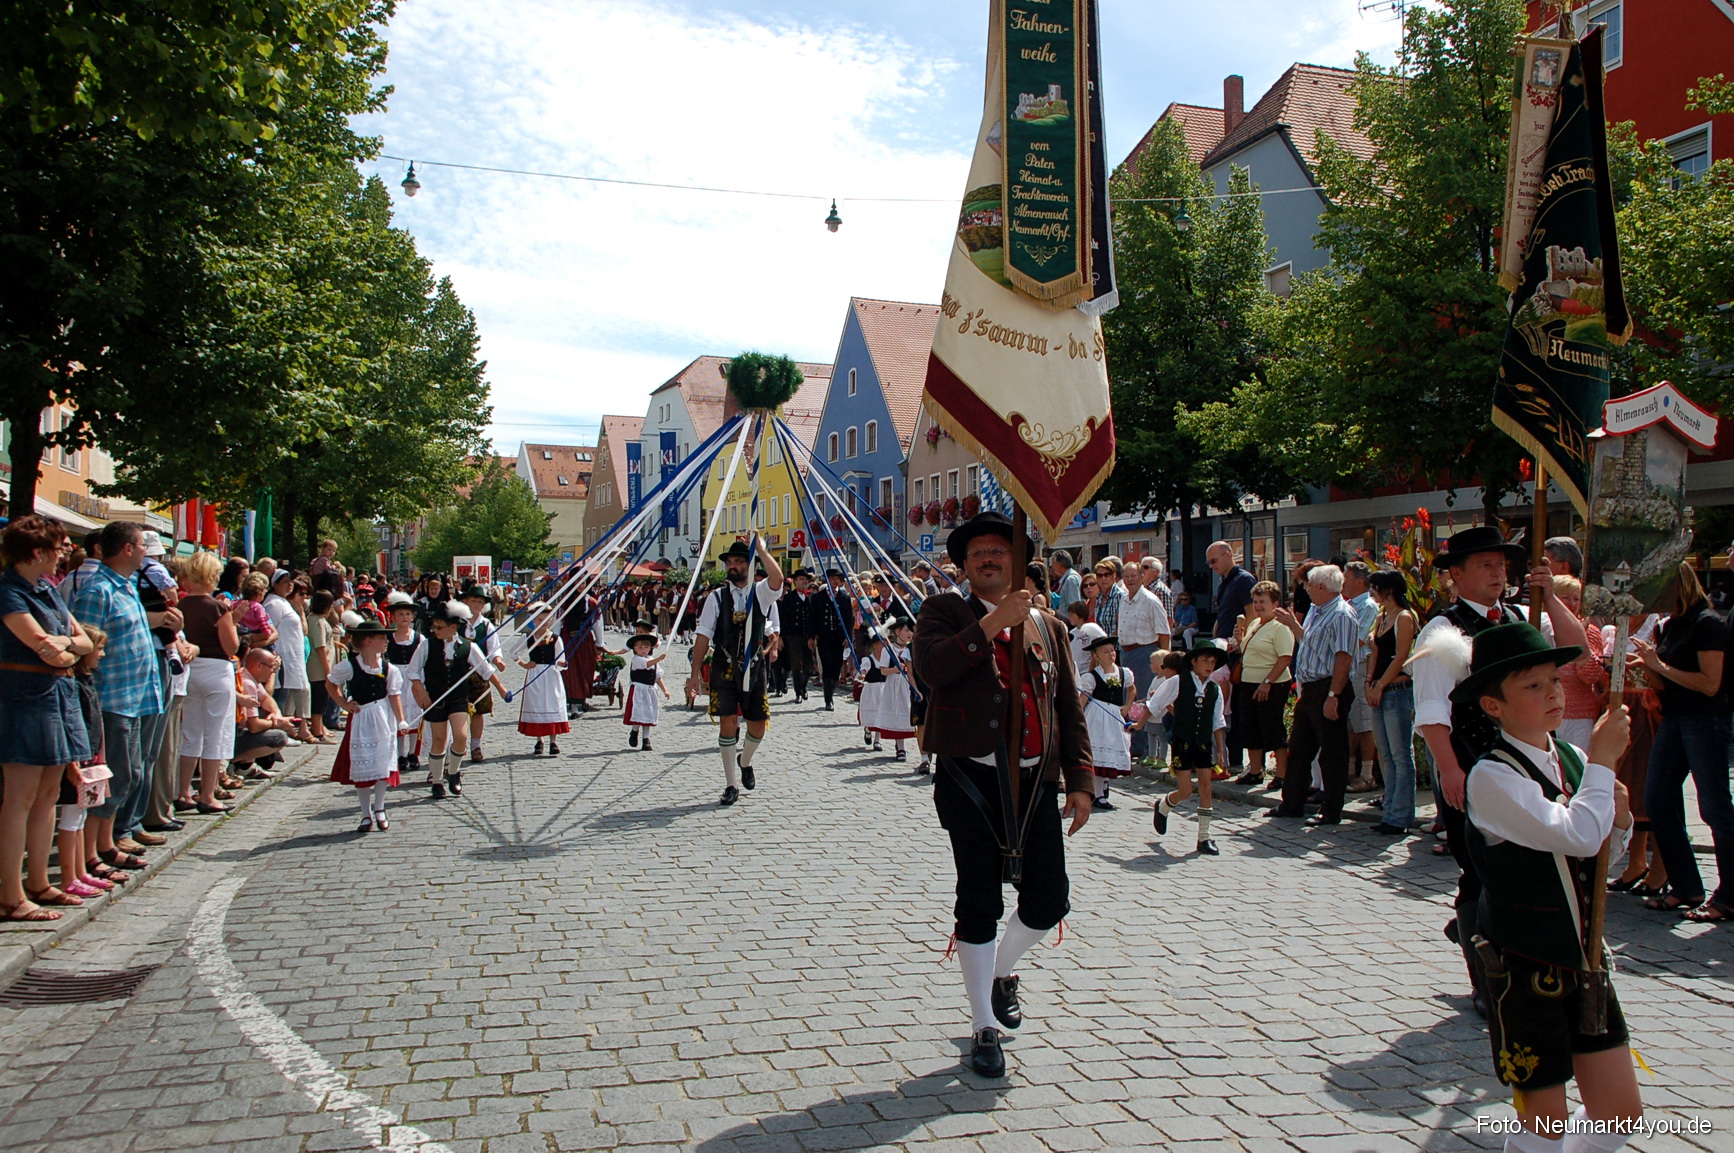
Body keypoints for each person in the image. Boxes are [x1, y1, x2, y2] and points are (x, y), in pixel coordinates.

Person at [912, 511, 1093, 1080]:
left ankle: (999, 970)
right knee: (979, 900)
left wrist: (1081, 779)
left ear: (1017, 562)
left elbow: (1066, 705)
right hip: (971, 777)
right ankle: (983, 1024)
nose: (988, 559)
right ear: (964, 567)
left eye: (998, 550)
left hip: (1034, 781)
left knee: (1049, 899)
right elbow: (932, 669)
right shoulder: (942, 611)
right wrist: (994, 624)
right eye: (977, 554)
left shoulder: (1049, 626)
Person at [1455, 623, 1641, 1152]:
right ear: (1493, 705)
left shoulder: (1573, 760)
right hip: (1524, 966)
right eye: (1532, 686)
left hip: (1584, 961)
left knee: (1619, 1117)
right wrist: (1603, 763)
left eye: (1554, 680)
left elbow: (1596, 862)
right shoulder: (1492, 777)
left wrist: (1619, 820)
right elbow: (1576, 834)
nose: (1553, 693)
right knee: (1545, 1122)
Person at [1407, 526, 1589, 1017]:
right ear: (1456, 575)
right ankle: (1486, 978)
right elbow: (1432, 709)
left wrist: (1551, 597)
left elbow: (1578, 650)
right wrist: (1449, 770)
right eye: (1485, 565)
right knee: (1479, 869)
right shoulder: (1442, 629)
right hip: (1472, 764)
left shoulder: (1519, 616)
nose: (1497, 573)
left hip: (1528, 763)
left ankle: (1516, 950)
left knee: (1526, 865)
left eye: (1501, 565)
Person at [1, 516, 96, 922]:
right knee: (19, 798)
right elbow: (47, 649)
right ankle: (11, 893)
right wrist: (65, 646)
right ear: (36, 552)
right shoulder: (9, 593)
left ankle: (39, 882)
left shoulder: (47, 590)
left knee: (49, 794)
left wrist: (65, 644)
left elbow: (85, 642)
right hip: (25, 698)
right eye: (57, 548)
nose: (63, 554)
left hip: (58, 695)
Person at [1634, 565, 1733, 922]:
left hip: (1706, 720)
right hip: (1675, 718)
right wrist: (1646, 667)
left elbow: (1710, 684)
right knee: (1657, 800)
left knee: (1715, 807)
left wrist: (1658, 665)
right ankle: (1686, 885)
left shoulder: (1707, 624)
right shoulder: (1671, 625)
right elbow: (1664, 681)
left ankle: (1729, 895)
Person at [68, 522, 166, 872]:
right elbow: (86, 647)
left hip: (136, 698)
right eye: (141, 545)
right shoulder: (98, 591)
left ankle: (106, 842)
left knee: (130, 775)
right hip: (112, 699)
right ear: (126, 549)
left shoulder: (126, 586)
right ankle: (93, 851)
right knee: (113, 777)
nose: (145, 552)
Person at [689, 538, 783, 806]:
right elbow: (703, 635)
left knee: (758, 725)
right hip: (724, 665)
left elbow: (778, 579)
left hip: (754, 665)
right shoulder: (716, 597)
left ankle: (745, 761)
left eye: (739, 561)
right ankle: (730, 784)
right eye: (729, 562)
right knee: (728, 722)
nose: (733, 566)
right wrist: (695, 673)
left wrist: (761, 549)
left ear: (749, 565)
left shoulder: (761, 592)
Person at [1271, 565, 1361, 827]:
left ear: (1321, 586)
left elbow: (1344, 657)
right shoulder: (1316, 610)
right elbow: (1309, 641)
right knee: (1299, 748)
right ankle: (1292, 803)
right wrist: (1293, 625)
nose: (1306, 589)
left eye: (1309, 584)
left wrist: (1334, 695)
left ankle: (1331, 809)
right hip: (1310, 687)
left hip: (1329, 686)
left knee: (1332, 752)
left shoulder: (1342, 614)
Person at [407, 601, 511, 800]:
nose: (436, 630)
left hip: (458, 698)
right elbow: (413, 672)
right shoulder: (426, 645)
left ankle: (453, 772)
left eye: (440, 627)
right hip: (435, 699)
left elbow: (486, 670)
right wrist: (421, 692)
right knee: (439, 741)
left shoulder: (468, 646)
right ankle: (437, 781)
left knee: (461, 737)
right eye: (434, 627)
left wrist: (502, 690)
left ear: (453, 627)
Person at [174, 550, 242, 815]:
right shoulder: (218, 607)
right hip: (216, 670)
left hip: (190, 669)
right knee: (215, 733)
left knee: (190, 732)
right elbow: (231, 646)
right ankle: (207, 793)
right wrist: (232, 621)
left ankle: (183, 792)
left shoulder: (180, 606)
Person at [1144, 641, 1229, 854]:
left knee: (1206, 788)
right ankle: (1163, 806)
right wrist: (1138, 723)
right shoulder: (1178, 682)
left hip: (1203, 743)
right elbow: (1156, 702)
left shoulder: (1214, 689)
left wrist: (1221, 750)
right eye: (1205, 661)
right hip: (1182, 742)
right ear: (1194, 662)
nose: (1209, 665)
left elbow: (1217, 721)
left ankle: (1204, 837)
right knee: (1185, 790)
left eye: (1213, 662)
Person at [327, 618, 407, 832]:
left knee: (382, 764)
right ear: (368, 641)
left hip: (383, 718)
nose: (386, 641)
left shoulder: (388, 668)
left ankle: (380, 807)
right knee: (362, 765)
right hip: (362, 719)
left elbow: (394, 695)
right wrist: (344, 703)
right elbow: (331, 683)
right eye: (382, 638)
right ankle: (365, 813)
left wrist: (400, 720)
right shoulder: (350, 666)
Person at [1364, 570, 1420, 834]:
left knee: (1400, 754)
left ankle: (1401, 816)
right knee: (1385, 754)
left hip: (1397, 689)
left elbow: (1401, 657)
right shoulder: (1381, 616)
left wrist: (1381, 684)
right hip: (1379, 688)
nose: (1372, 592)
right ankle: (1390, 811)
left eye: (1376, 588)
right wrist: (1369, 682)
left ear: (1388, 590)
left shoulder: (1404, 617)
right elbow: (1375, 652)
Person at [1232, 580, 1293, 790]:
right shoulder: (1255, 624)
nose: (1258, 606)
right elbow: (1247, 651)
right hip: (1248, 681)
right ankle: (1255, 770)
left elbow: (1285, 657)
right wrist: (1239, 640)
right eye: (1256, 601)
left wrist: (1268, 682)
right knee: (1250, 727)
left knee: (1272, 727)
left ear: (1275, 603)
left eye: (1263, 602)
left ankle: (1282, 774)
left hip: (1272, 683)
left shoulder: (1280, 626)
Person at [1079, 635, 1132, 811]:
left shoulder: (1124, 673)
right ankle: (1098, 794)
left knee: (1111, 751)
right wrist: (1077, 716)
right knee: (1098, 754)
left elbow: (1132, 689)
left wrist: (1128, 705)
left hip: (1114, 716)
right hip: (1097, 716)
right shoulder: (1092, 677)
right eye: (1105, 652)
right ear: (1096, 656)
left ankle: (1103, 786)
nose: (1111, 654)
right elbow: (1083, 698)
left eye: (1112, 650)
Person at [1342, 561, 1382, 793]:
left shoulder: (1368, 606)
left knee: (1364, 723)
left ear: (1359, 581)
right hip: (1348, 668)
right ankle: (1350, 770)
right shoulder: (1347, 605)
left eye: (1346, 578)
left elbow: (1357, 639)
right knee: (1351, 722)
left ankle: (1367, 774)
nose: (1342, 582)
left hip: (1361, 667)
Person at [458, 583, 506, 763]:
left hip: (480, 674)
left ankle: (475, 746)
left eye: (480, 602)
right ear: (466, 601)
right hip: (460, 673)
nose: (476, 605)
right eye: (473, 601)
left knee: (478, 711)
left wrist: (498, 660)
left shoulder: (486, 625)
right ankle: (458, 745)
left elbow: (494, 648)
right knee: (459, 711)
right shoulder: (458, 623)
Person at [860, 617, 918, 761]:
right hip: (894, 685)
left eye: (911, 630)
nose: (910, 633)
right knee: (897, 713)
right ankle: (900, 747)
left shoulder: (913, 648)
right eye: (906, 630)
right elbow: (883, 671)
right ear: (897, 631)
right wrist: (895, 669)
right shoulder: (889, 650)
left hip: (909, 684)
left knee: (910, 713)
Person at [516, 604, 570, 756]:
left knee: (552, 703)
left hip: (551, 675)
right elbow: (513, 653)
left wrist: (561, 664)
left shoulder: (555, 638)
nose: (543, 622)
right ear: (533, 620)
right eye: (539, 619)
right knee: (537, 703)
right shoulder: (528, 638)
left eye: (546, 619)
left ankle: (553, 741)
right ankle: (539, 740)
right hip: (535, 675)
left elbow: (560, 658)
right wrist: (524, 664)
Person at [383, 592, 427, 774]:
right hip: (395, 678)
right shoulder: (388, 638)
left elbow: (424, 659)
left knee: (415, 715)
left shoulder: (419, 639)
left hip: (413, 677)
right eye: (400, 614)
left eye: (407, 614)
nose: (404, 617)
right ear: (393, 617)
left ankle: (413, 753)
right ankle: (400, 754)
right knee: (398, 715)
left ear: (412, 617)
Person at [813, 569, 853, 711]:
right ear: (827, 579)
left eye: (837, 578)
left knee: (836, 666)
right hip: (824, 637)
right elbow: (813, 617)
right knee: (827, 665)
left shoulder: (844, 597)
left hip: (839, 637)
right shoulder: (818, 597)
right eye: (832, 578)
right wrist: (812, 636)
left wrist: (849, 637)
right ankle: (828, 699)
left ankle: (832, 688)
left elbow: (849, 619)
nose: (835, 581)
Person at [621, 628, 667, 751]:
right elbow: (646, 664)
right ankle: (635, 731)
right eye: (640, 647)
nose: (643, 650)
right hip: (638, 690)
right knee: (639, 712)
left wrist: (665, 690)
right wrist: (659, 658)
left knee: (648, 714)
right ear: (635, 649)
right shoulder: (636, 660)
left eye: (646, 647)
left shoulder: (652, 660)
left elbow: (658, 677)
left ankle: (646, 739)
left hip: (650, 691)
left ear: (650, 648)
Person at [779, 569, 819, 703]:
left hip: (807, 635)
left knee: (809, 666)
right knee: (796, 664)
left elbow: (814, 619)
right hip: (793, 636)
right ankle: (798, 692)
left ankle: (803, 686)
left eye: (806, 579)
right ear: (795, 581)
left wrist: (812, 636)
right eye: (801, 579)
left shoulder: (811, 597)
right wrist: (781, 636)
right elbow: (783, 618)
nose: (804, 581)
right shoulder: (789, 598)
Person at [1206, 541, 1254, 643]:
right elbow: (1222, 614)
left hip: (1235, 644)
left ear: (1227, 555)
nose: (1211, 566)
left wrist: (1239, 642)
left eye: (1213, 561)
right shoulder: (1223, 582)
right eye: (1209, 562)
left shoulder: (1244, 579)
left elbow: (1252, 614)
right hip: (1222, 642)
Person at [1065, 601, 1105, 677]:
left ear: (1080, 615)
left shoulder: (1092, 629)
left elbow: (1097, 650)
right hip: (1075, 673)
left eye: (1072, 615)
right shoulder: (1072, 633)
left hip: (1087, 672)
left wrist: (1091, 672)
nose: (1069, 617)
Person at [1092, 558, 1123, 637]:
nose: (1103, 578)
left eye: (1107, 575)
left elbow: (1121, 626)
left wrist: (1109, 642)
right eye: (1100, 575)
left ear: (1114, 575)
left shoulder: (1119, 596)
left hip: (1116, 643)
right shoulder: (1099, 597)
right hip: (1102, 642)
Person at [1048, 549, 1081, 613]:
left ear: (1060, 564)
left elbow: (1074, 606)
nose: (1052, 566)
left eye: (1053, 563)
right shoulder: (1067, 578)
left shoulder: (1070, 580)